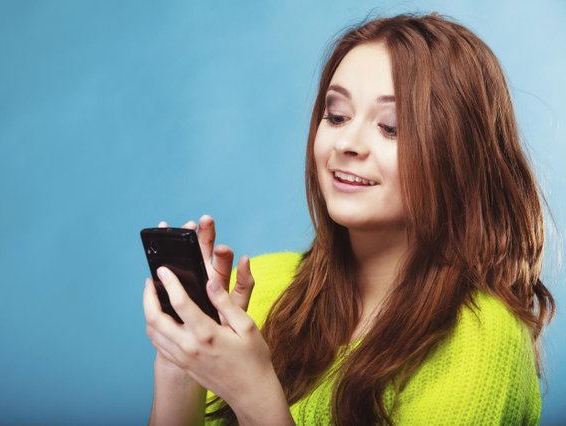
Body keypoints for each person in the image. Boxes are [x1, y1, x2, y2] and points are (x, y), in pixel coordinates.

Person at [142, 13, 555, 425]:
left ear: (458, 154)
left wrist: (254, 394)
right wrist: (179, 365)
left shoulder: (485, 341)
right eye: (336, 116)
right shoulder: (256, 290)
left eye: (391, 127)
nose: (347, 143)